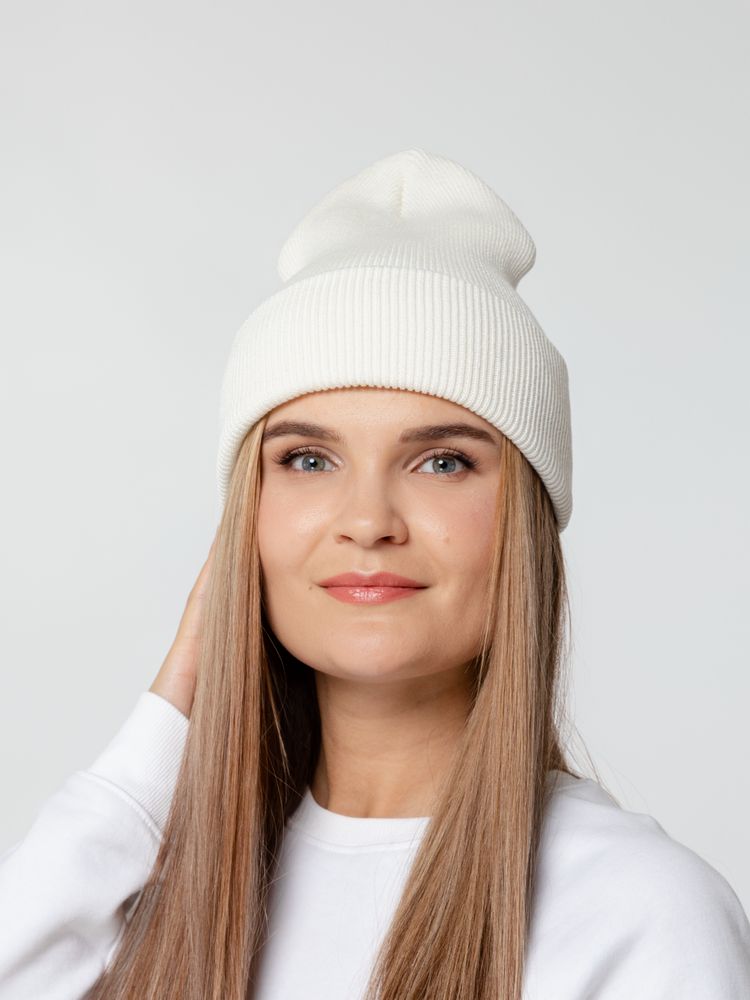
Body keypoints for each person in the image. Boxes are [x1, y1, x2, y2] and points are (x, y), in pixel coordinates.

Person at [1, 147, 748, 1000]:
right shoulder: (149, 894)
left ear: (526, 525)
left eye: (442, 462)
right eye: (309, 460)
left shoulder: (638, 913)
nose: (367, 520)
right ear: (247, 519)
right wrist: (166, 727)